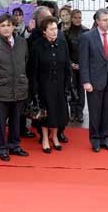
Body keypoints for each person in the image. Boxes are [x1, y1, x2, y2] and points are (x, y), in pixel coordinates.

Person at [0, 14, 30, 161]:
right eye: (2, 26)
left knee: (16, 119)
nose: (6, 28)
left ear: (13, 26)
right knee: (1, 122)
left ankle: (14, 145)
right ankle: (2, 148)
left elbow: (25, 61)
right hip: (0, 89)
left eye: (8, 25)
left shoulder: (22, 43)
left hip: (18, 88)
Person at [80, 8, 108, 152]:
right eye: (104, 20)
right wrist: (86, 81)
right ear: (97, 21)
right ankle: (95, 138)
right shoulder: (87, 37)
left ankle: (105, 137)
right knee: (95, 111)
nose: (107, 22)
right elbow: (84, 61)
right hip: (94, 80)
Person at [31, 16, 71, 153]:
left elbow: (67, 66)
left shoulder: (62, 43)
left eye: (56, 29)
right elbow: (33, 70)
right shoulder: (37, 46)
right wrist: (35, 90)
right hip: (44, 86)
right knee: (46, 114)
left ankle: (54, 137)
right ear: (44, 31)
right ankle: (45, 139)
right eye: (51, 29)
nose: (55, 32)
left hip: (59, 85)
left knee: (58, 113)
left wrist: (67, 85)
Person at [64, 9, 89, 123]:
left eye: (79, 17)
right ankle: (72, 111)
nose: (78, 20)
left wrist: (82, 64)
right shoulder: (66, 32)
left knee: (81, 89)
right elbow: (65, 51)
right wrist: (71, 63)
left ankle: (80, 112)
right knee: (72, 88)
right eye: (75, 17)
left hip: (83, 65)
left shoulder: (86, 31)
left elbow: (88, 51)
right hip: (71, 65)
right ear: (71, 18)